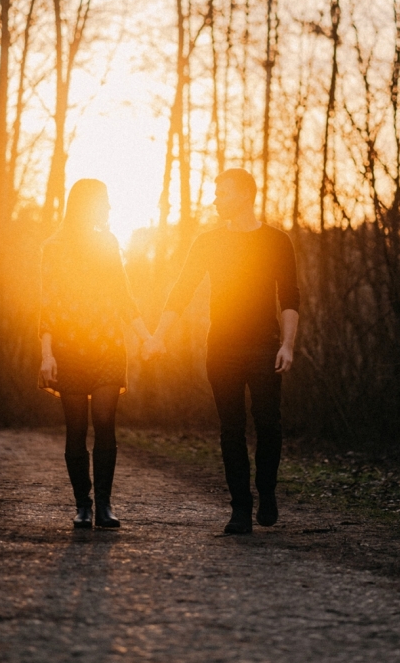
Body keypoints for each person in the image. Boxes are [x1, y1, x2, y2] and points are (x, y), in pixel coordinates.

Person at [147, 168, 300, 534]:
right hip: (222, 348)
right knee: (230, 428)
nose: (216, 199)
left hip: (265, 346)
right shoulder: (208, 242)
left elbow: (291, 297)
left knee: (268, 424)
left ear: (245, 195)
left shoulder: (277, 241)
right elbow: (182, 291)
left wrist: (287, 345)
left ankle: (266, 491)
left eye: (223, 193)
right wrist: (158, 335)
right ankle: (240, 509)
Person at [38, 179, 152, 530]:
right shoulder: (53, 248)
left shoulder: (108, 243)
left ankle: (104, 504)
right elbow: (46, 306)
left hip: (107, 348)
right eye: (103, 201)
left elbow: (122, 294)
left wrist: (146, 336)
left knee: (104, 422)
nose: (108, 207)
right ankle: (82, 505)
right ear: (86, 204)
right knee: (76, 428)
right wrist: (46, 354)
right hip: (69, 349)